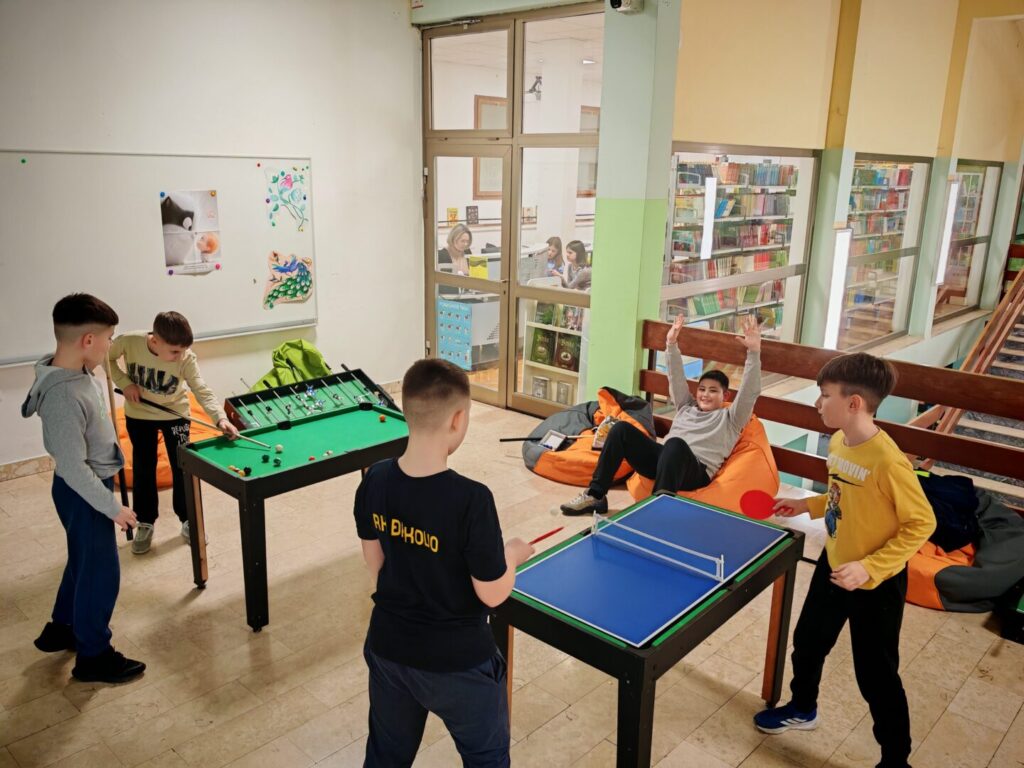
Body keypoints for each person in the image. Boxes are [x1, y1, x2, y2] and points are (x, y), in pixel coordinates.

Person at [754, 352, 936, 768]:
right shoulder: (838, 442)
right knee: (808, 643)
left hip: (876, 583)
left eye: (825, 395)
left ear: (854, 403)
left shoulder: (888, 462)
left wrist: (869, 567)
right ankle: (803, 708)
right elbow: (843, 496)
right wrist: (807, 506)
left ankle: (896, 759)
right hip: (834, 564)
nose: (818, 403)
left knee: (876, 675)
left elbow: (921, 524)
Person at [354, 358, 534, 767]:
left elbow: (376, 567)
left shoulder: (374, 479)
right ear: (458, 419)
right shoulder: (472, 499)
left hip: (388, 649)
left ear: (407, 411)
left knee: (385, 757)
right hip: (459, 663)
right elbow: (492, 593)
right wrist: (513, 553)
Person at [22, 293, 145, 683]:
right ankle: (94, 656)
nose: (111, 346)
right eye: (109, 338)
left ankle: (63, 626)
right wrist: (113, 507)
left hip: (86, 487)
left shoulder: (77, 371)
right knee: (100, 573)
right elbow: (75, 469)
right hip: (83, 492)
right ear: (88, 340)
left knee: (83, 560)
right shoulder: (63, 394)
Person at [561, 313, 761, 515]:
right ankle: (595, 495)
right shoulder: (686, 406)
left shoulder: (731, 419)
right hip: (664, 461)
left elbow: (749, 392)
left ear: (725, 395)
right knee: (620, 429)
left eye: (713, 391)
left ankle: (657, 511)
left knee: (675, 444)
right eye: (702, 389)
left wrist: (754, 352)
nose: (705, 395)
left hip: (695, 471)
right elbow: (676, 377)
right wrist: (671, 344)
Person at [108, 311, 239, 554]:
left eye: (183, 351)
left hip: (176, 415)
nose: (180, 356)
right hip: (139, 415)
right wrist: (125, 383)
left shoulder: (185, 357)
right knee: (143, 467)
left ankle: (189, 519)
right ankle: (145, 522)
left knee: (183, 467)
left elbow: (201, 389)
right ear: (155, 341)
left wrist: (220, 418)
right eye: (174, 352)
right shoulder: (129, 342)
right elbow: (108, 358)